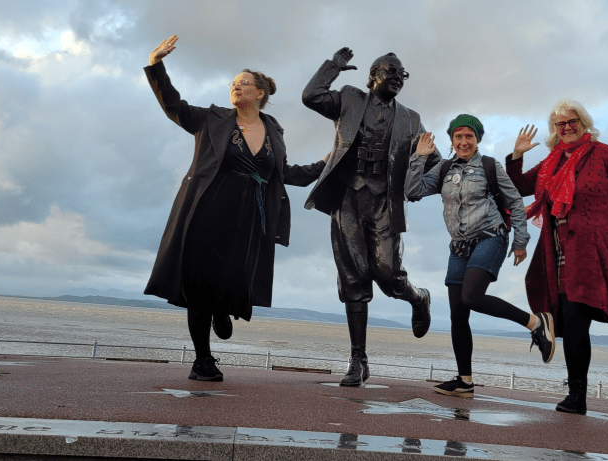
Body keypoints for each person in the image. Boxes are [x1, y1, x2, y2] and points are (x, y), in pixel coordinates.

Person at [143, 35, 325, 382]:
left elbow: (285, 174)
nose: (235, 87)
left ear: (260, 93)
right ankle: (202, 360)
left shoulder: (274, 131)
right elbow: (173, 105)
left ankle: (221, 307)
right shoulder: (211, 119)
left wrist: (324, 164)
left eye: (243, 83)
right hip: (207, 210)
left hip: (250, 218)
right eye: (233, 84)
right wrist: (156, 65)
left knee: (233, 280)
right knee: (199, 284)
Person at [505, 100, 608, 424]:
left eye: (572, 121)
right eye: (560, 123)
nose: (566, 127)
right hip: (567, 254)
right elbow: (521, 187)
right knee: (574, 322)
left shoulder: (606, 154)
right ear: (555, 129)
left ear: (583, 122)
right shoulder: (551, 162)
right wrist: (517, 156)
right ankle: (577, 396)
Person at [301, 47, 441, 387]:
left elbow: (436, 163)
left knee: (388, 274)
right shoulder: (349, 99)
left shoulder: (411, 119)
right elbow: (311, 97)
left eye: (402, 75)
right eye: (391, 72)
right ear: (373, 75)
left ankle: (418, 297)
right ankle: (358, 358)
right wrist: (333, 67)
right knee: (354, 278)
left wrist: (424, 182)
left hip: (384, 203)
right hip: (347, 198)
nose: (397, 78)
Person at [406, 114, 556, 398]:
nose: (464, 142)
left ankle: (536, 322)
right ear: (452, 140)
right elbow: (412, 191)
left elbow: (515, 201)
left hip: (490, 237)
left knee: (471, 297)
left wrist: (521, 241)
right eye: (458, 137)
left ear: (477, 140)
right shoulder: (443, 168)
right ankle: (465, 381)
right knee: (458, 314)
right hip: (459, 246)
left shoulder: (489, 165)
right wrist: (419, 157)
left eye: (469, 136)